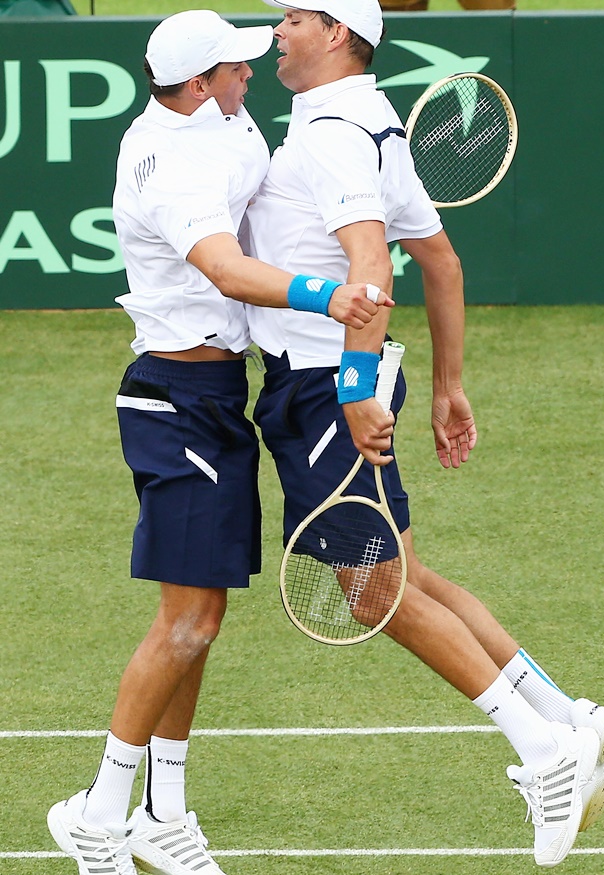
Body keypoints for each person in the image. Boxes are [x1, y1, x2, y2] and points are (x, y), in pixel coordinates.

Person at [245, 0, 604, 868]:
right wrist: (448, 385)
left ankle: (544, 752)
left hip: (322, 386)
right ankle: (566, 715)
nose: (276, 32)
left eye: (292, 18)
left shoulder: (335, 132)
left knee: (371, 594)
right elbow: (442, 261)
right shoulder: (372, 120)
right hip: (355, 375)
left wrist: (350, 389)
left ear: (335, 33)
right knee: (404, 574)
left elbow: (374, 265)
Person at [46, 11, 392, 875]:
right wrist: (329, 296)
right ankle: (97, 811)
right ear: (199, 85)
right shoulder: (171, 167)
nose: (253, 70)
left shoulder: (225, 117)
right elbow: (230, 271)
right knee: (187, 618)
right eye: (236, 65)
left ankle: (164, 812)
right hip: (174, 404)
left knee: (204, 617)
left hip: (218, 396)